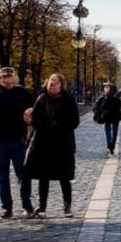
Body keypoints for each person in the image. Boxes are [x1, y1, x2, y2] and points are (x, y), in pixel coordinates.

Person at [0, 67, 36, 219]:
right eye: (3, 77)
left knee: (23, 174)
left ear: (15, 78)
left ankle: (27, 205)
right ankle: (7, 208)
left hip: (18, 139)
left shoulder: (23, 93)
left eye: (9, 76)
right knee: (2, 176)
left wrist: (30, 121)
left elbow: (33, 109)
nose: (6, 80)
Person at [24, 74, 80, 218]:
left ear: (61, 85)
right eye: (50, 83)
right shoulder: (41, 99)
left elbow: (74, 121)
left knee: (64, 176)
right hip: (44, 143)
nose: (52, 85)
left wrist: (58, 126)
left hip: (62, 143)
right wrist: (43, 124)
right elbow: (35, 119)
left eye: (55, 83)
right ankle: (42, 208)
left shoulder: (68, 100)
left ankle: (67, 207)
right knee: (44, 177)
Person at [93, 83, 121, 155]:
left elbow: (99, 107)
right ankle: (112, 145)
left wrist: (99, 113)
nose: (106, 89)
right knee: (115, 132)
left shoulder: (104, 98)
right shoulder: (117, 98)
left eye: (107, 88)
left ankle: (109, 144)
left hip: (107, 117)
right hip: (115, 117)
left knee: (108, 132)